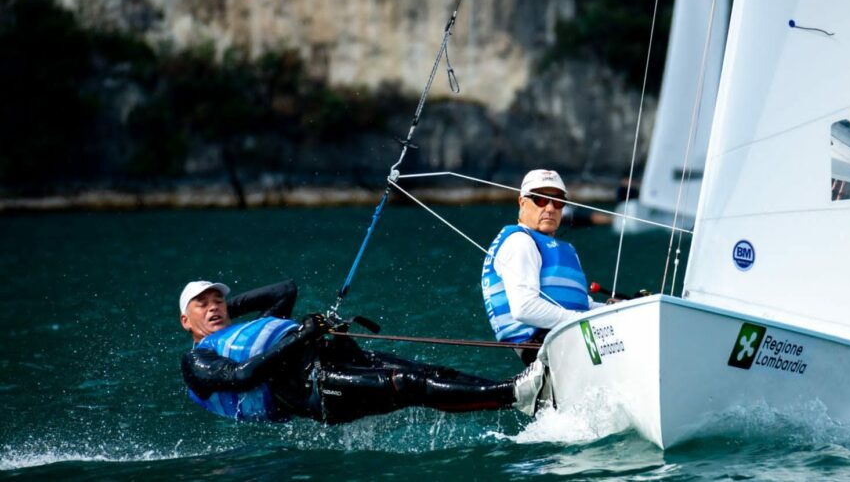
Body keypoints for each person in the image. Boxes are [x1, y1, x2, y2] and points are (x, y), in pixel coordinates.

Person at [179, 279, 544, 423]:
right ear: (185, 321)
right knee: (407, 383)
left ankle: (519, 391)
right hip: (310, 391)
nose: (214, 308)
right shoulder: (197, 360)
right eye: (202, 305)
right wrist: (301, 337)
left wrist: (227, 306)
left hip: (332, 359)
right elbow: (243, 376)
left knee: (428, 374)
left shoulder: (243, 328)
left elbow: (285, 291)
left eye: (218, 301)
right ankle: (513, 394)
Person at [481, 169, 605, 365]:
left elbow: (583, 304)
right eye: (540, 200)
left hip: (571, 338)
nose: (549, 208)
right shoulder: (520, 243)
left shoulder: (561, 248)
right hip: (545, 350)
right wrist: (582, 321)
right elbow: (524, 308)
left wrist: (618, 309)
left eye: (557, 202)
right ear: (522, 202)